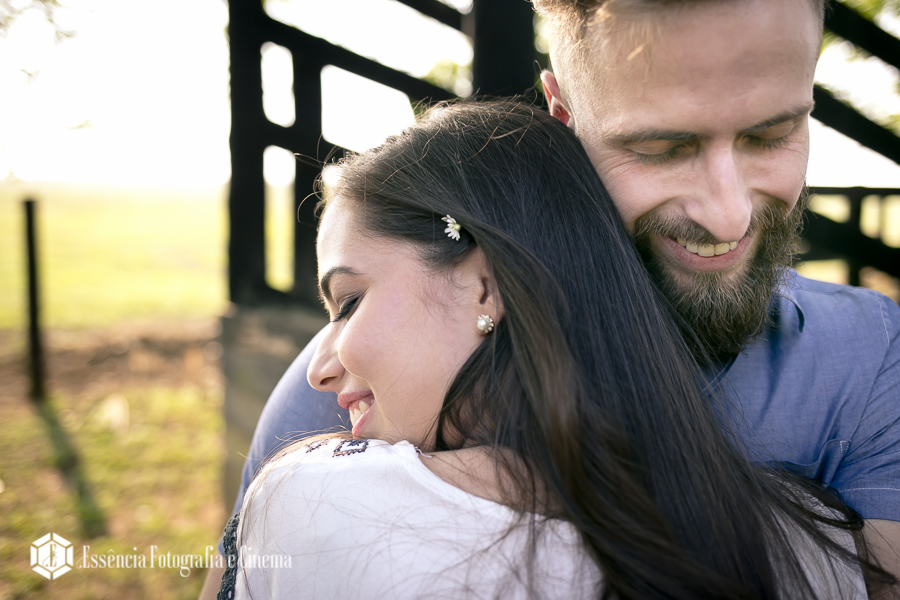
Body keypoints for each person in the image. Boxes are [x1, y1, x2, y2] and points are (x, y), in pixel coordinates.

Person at [198, 0, 900, 596]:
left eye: (771, 134)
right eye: (661, 148)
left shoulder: (871, 357)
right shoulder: (357, 394)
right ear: (561, 113)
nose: (728, 215)